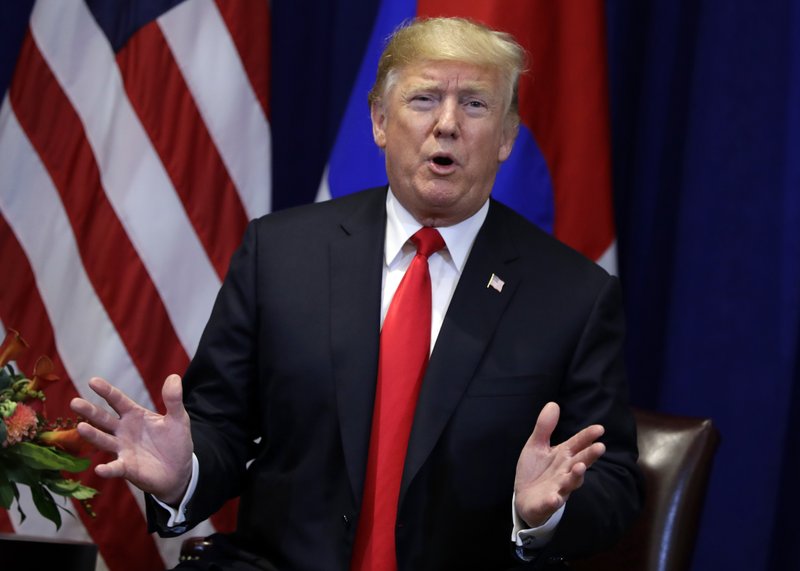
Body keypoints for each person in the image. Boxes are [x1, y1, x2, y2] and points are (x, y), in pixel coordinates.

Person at [71, 17, 642, 571]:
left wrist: (541, 515)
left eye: (475, 104)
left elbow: (613, 480)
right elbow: (220, 422)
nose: (447, 124)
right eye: (423, 100)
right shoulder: (281, 253)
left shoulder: (573, 295)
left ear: (507, 137)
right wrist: (185, 473)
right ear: (379, 121)